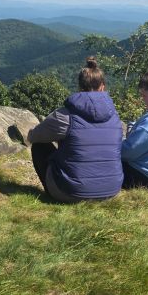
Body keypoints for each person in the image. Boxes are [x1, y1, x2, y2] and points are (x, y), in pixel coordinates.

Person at [27, 57, 123, 202]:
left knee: (39, 146)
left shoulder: (65, 115)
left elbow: (34, 137)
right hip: (111, 191)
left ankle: (53, 194)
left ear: (79, 87)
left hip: (71, 193)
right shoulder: (115, 117)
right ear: (102, 87)